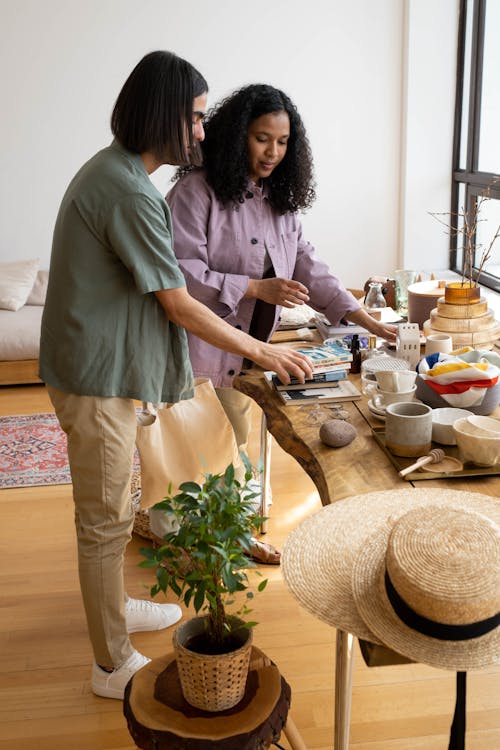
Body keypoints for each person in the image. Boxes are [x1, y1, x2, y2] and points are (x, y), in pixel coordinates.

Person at [39, 55, 312, 701]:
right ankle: (111, 665)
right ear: (163, 114)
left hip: (105, 366)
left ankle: (118, 605)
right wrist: (264, 352)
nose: (200, 131)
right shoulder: (129, 190)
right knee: (104, 520)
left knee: (115, 511)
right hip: (93, 376)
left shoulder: (119, 175)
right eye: (193, 116)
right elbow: (179, 301)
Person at [166, 83, 398, 562]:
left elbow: (306, 261)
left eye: (283, 141)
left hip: (252, 347)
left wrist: (360, 315)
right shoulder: (194, 192)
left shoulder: (279, 197)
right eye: (261, 138)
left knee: (230, 439)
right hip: (199, 347)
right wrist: (254, 288)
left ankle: (218, 533)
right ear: (236, 137)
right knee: (205, 446)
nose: (273, 151)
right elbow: (181, 274)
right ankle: (212, 543)